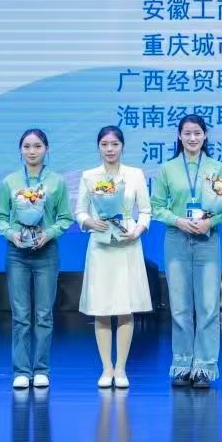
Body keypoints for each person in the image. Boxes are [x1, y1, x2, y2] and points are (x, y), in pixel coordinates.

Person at [150, 114, 222, 388]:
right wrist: (178, 221)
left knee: (208, 306)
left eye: (197, 133)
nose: (192, 138)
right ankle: (183, 363)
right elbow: (157, 206)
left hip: (207, 239)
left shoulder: (216, 168)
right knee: (179, 307)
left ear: (205, 135)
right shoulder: (168, 169)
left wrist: (210, 221)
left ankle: (205, 367)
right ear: (179, 136)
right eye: (187, 133)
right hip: (176, 239)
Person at [0, 128, 73, 389]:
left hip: (46, 252)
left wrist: (49, 233)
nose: (32, 151)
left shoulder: (57, 182)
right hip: (17, 253)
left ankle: (41, 369)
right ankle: (20, 370)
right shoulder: (10, 182)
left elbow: (65, 218)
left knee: (43, 314)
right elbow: (0, 217)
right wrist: (12, 234)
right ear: (20, 150)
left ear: (46, 149)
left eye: (37, 146)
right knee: (21, 315)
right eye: (27, 146)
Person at [76, 125, 152, 389]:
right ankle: (106, 367)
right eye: (105, 144)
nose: (110, 149)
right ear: (98, 147)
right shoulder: (89, 176)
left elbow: (145, 211)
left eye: (114, 144)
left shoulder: (135, 175)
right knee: (102, 308)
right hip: (100, 245)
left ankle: (121, 368)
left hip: (127, 243)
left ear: (122, 146)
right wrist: (90, 222)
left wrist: (138, 230)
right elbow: (79, 211)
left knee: (124, 308)